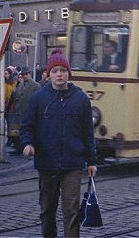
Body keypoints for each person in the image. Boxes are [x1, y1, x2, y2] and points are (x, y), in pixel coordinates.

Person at [20, 49, 98, 238]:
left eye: (63, 70)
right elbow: (27, 126)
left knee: (71, 210)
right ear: (48, 75)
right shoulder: (39, 98)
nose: (59, 74)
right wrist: (27, 144)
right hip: (47, 163)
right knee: (47, 209)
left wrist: (91, 161)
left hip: (72, 162)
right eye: (55, 71)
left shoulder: (80, 99)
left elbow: (88, 132)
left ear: (68, 73)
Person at [7, 66, 41, 154]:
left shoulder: (36, 86)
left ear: (30, 74)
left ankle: (29, 146)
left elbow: (38, 100)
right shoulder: (19, 85)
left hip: (29, 111)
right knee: (18, 129)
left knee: (29, 129)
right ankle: (19, 147)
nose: (24, 76)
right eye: (23, 74)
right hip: (19, 111)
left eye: (26, 74)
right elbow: (15, 97)